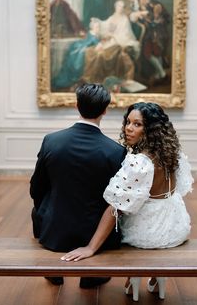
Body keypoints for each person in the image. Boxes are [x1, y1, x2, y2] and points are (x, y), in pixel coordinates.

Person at [62, 102, 193, 301]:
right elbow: (179, 190)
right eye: (128, 122)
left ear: (151, 129)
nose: (128, 128)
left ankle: (133, 276)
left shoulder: (140, 162)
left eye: (137, 124)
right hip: (176, 227)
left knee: (113, 211)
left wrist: (91, 247)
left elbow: (116, 207)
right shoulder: (173, 153)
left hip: (148, 234)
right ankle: (158, 279)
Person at [30, 83, 127, 288]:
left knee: (40, 206)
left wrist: (46, 210)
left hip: (54, 231)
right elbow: (116, 201)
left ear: (76, 106)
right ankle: (92, 276)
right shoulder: (115, 151)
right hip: (94, 233)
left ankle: (55, 271)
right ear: (105, 110)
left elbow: (36, 187)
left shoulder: (51, 141)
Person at [51, 19, 101, 91]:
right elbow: (94, 44)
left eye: (98, 27)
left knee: (76, 51)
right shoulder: (93, 36)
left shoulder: (93, 35)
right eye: (97, 27)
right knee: (77, 54)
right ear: (93, 28)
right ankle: (73, 75)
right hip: (83, 47)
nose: (98, 29)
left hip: (82, 46)